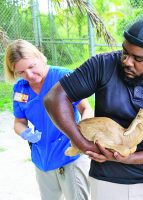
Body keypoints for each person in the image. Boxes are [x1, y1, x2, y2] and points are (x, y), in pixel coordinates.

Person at [43, 18, 143, 200]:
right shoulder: (102, 65)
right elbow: (55, 98)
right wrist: (83, 144)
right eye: (125, 52)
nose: (127, 62)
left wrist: (128, 158)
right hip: (106, 179)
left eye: (138, 59)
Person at [3, 39, 93, 200]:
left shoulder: (63, 77)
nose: (29, 75)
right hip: (42, 158)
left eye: (31, 67)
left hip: (70, 154)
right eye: (21, 72)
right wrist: (25, 133)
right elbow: (19, 122)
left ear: (40, 57)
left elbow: (86, 109)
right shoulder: (20, 89)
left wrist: (80, 133)